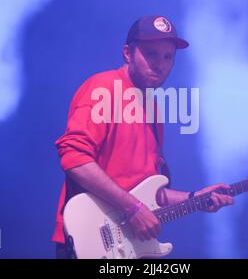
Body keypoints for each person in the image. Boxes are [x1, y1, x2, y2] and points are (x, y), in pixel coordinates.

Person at [52, 15, 234, 259]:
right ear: (127, 53)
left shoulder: (152, 109)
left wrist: (194, 198)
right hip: (89, 244)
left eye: (168, 57)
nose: (159, 64)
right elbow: (74, 159)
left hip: (127, 249)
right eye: (150, 54)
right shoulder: (103, 89)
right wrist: (132, 208)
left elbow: (148, 193)